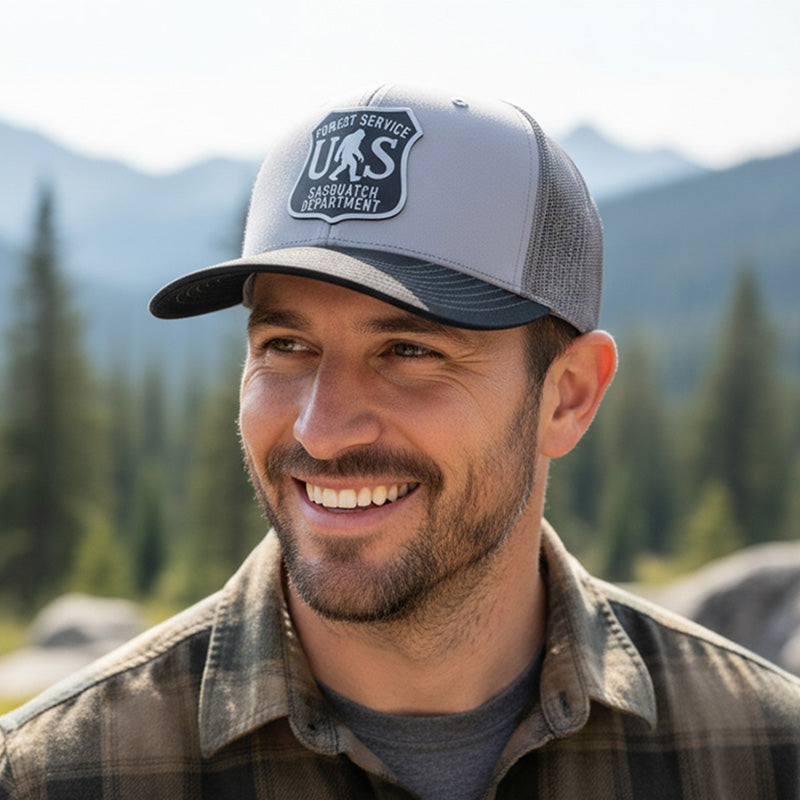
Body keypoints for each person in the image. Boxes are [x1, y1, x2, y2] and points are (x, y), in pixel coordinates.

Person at [1, 84, 798, 800]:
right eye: (286, 346)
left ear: (569, 396)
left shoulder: (763, 756)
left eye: (409, 352)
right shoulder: (63, 773)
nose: (320, 427)